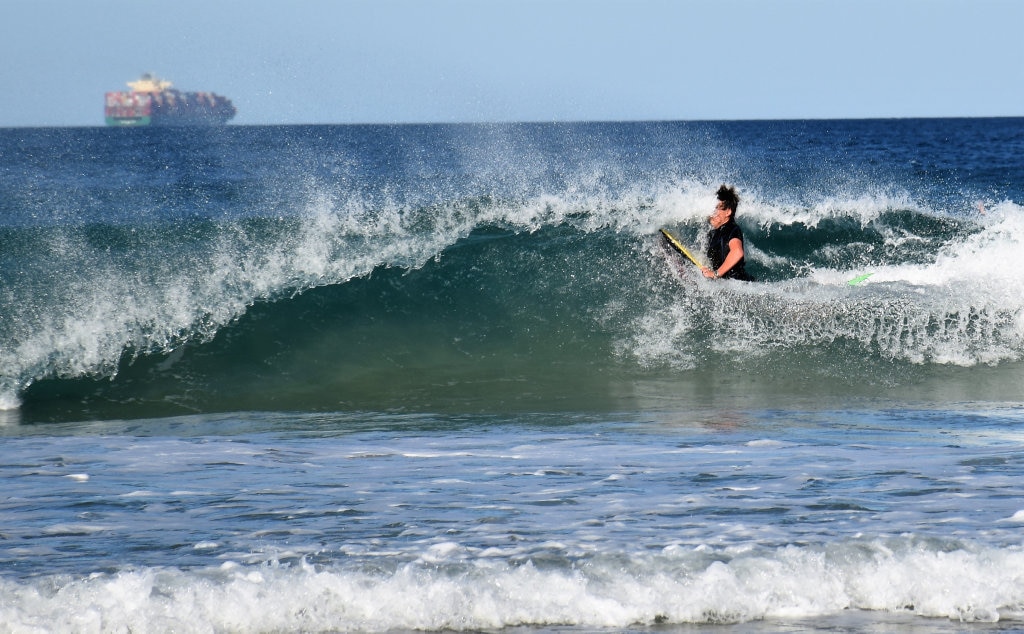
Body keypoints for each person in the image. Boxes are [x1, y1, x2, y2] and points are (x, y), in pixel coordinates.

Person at [701, 184, 754, 281]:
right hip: (727, 285)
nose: (713, 212)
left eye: (717, 208)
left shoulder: (732, 229)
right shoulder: (713, 234)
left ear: (728, 212)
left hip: (740, 284)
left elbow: (737, 252)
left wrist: (715, 274)